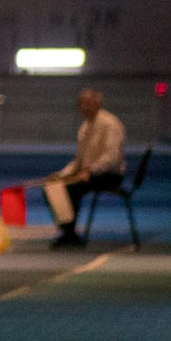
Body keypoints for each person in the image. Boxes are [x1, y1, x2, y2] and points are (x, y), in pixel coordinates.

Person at [38, 86, 127, 249]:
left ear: (98, 102)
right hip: (88, 173)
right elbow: (78, 161)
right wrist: (61, 174)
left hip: (109, 175)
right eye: (82, 104)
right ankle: (67, 231)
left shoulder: (110, 124)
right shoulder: (85, 128)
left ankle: (69, 234)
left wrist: (89, 171)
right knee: (51, 187)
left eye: (89, 103)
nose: (85, 107)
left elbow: (112, 157)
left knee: (72, 188)